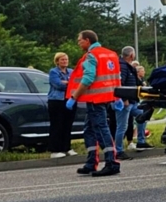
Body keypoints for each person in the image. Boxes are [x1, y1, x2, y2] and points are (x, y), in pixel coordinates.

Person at [66, 30, 123, 176]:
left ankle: (112, 163)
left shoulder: (92, 55)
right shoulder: (111, 54)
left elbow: (88, 78)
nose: (78, 43)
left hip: (95, 99)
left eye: (79, 40)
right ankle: (91, 162)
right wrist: (118, 96)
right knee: (89, 129)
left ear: (87, 40)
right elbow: (117, 76)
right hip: (107, 97)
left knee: (101, 129)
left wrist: (74, 97)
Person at [47, 52, 77, 158]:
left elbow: (76, 83)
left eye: (66, 59)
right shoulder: (53, 72)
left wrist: (67, 82)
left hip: (70, 99)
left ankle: (67, 147)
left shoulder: (71, 71)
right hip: (56, 101)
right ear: (57, 61)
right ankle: (55, 150)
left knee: (67, 125)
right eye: (62, 60)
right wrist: (68, 83)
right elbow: (58, 85)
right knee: (57, 125)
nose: (65, 61)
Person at [114, 46, 139, 160]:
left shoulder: (127, 66)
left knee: (142, 115)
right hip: (125, 102)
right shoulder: (123, 67)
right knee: (122, 127)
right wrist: (124, 99)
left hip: (132, 101)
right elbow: (120, 83)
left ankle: (141, 140)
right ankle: (118, 150)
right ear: (131, 55)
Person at [132, 64, 153, 151]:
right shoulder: (136, 80)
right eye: (142, 70)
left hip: (136, 102)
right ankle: (140, 141)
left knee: (143, 116)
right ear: (138, 72)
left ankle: (141, 140)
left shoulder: (141, 80)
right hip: (132, 102)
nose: (144, 72)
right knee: (141, 117)